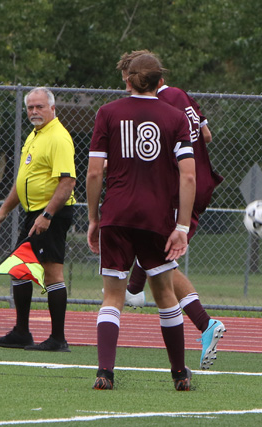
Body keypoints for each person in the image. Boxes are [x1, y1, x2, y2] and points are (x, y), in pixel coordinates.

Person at [87, 51, 196, 391]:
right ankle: (179, 373)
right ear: (159, 81)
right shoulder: (175, 118)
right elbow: (188, 178)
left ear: (128, 80)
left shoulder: (108, 113)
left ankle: (105, 371)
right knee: (164, 294)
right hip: (156, 218)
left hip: (117, 215)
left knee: (112, 297)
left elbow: (93, 173)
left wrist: (93, 218)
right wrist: (181, 227)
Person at [117, 50, 226, 370]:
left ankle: (205, 324)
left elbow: (162, 147)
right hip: (200, 181)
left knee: (159, 255)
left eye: (129, 81)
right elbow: (205, 134)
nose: (127, 89)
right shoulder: (180, 94)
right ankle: (137, 290)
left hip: (181, 188)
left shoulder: (159, 104)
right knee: (158, 256)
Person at [0, 87, 76, 352]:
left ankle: (58, 339)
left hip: (51, 215)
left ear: (52, 108)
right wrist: (3, 210)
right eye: (30, 107)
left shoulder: (58, 137)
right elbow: (23, 180)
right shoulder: (35, 135)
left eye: (39, 107)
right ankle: (21, 332)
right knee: (20, 269)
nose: (34, 112)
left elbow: (67, 181)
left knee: (52, 273)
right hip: (33, 214)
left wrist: (47, 215)